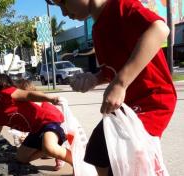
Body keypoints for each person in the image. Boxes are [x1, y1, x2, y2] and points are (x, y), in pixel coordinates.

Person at [46, 0, 177, 175]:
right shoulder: (97, 28)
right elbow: (110, 70)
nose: (63, 13)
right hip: (129, 104)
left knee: (123, 152)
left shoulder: (121, 5)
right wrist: (93, 79)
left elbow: (159, 30)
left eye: (63, 3)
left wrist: (120, 83)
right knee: (97, 149)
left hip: (153, 99)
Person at [0, 67, 72, 171]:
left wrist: (50, 98)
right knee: (21, 158)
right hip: (36, 130)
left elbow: (28, 94)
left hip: (48, 120)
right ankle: (52, 150)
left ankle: (76, 162)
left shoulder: (6, 93)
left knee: (49, 147)